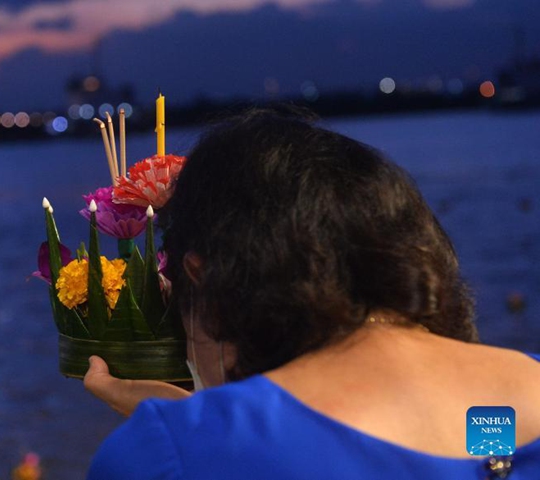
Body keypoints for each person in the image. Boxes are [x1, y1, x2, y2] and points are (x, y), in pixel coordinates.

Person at [83, 110, 540, 479]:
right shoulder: (507, 405)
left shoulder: (167, 454)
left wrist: (184, 431)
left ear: (200, 278)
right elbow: (475, 455)